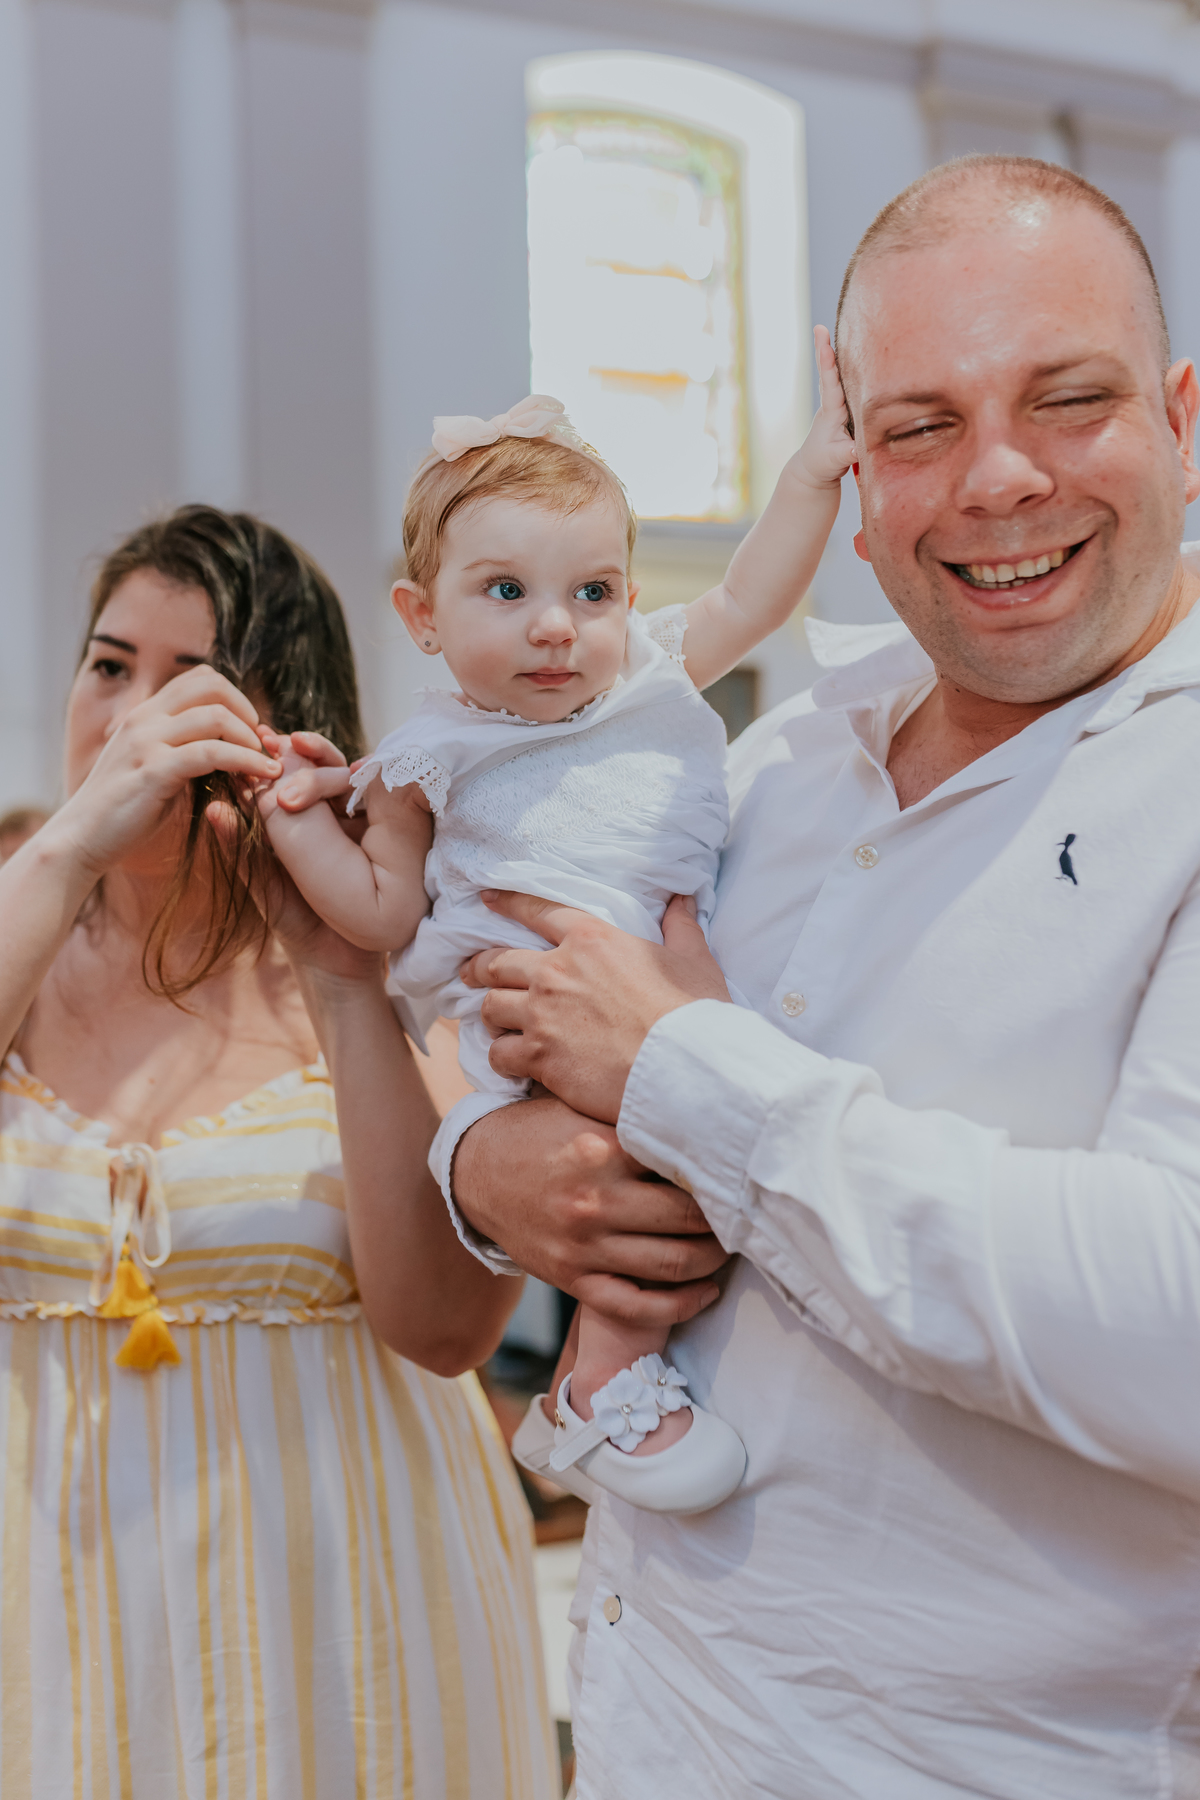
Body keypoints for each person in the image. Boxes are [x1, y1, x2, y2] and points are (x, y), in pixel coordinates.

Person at [445, 153, 1200, 1799]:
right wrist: (487, 1166)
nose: (996, 478)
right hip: (655, 1732)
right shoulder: (777, 760)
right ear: (851, 469)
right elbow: (526, 979)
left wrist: (686, 1075)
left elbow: (1176, 1335)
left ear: (1186, 422)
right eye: (920, 426)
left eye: (1066, 402)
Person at [0, 506, 557, 1798]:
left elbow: (444, 1327)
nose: (130, 720)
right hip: (50, 1611)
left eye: (181, 685)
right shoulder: (20, 943)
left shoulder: (407, 964)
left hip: (332, 1612)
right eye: (105, 667)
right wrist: (71, 842)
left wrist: (344, 979)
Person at [257, 360, 853, 1516]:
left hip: (667, 985)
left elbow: (755, 597)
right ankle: (605, 1377)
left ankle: (612, 1380)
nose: (555, 628)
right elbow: (380, 913)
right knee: (645, 1179)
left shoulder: (647, 676)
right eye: (504, 592)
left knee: (715, 1150)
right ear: (421, 616)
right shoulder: (431, 760)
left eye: (593, 592)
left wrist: (810, 475)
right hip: (534, 1017)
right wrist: (297, 825)